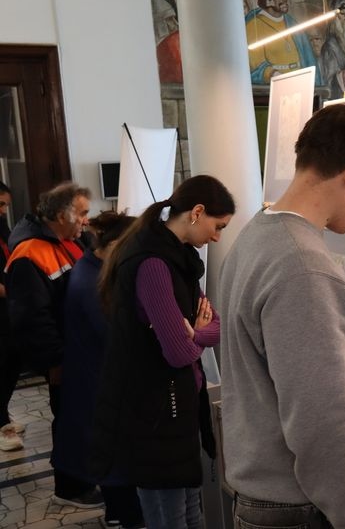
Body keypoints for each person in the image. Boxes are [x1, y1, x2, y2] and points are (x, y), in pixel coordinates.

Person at [220, 102, 345, 528]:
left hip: (270, 498)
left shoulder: (256, 235)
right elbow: (321, 425)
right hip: (299, 508)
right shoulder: (303, 268)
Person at [90, 175, 235, 529]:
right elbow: (178, 353)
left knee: (191, 514)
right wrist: (195, 337)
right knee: (170, 518)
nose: (217, 237)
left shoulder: (178, 258)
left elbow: (220, 326)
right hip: (155, 415)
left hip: (177, 408)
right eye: (218, 226)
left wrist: (196, 332)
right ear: (197, 212)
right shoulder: (152, 263)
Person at [5, 182, 98, 506]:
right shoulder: (29, 254)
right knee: (71, 422)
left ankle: (87, 477)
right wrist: (55, 361)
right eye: (82, 213)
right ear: (61, 215)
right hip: (65, 357)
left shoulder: (73, 240)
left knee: (86, 420)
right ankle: (71, 488)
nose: (87, 220)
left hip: (83, 352)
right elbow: (31, 318)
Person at [54, 211, 144, 528]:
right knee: (116, 457)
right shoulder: (92, 282)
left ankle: (119, 514)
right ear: (116, 245)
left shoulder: (94, 268)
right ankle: (125, 517)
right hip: (99, 382)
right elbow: (115, 335)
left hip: (98, 379)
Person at [245, 0, 317, 84]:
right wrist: (273, 74)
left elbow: (307, 57)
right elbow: (255, 64)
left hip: (301, 83)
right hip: (275, 86)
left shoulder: (291, 23)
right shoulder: (253, 26)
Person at [0, 181, 25, 452]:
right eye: (0, 205)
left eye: (5, 205)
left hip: (9, 309)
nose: (4, 210)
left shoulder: (3, 228)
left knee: (12, 362)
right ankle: (2, 426)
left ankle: (3, 414)